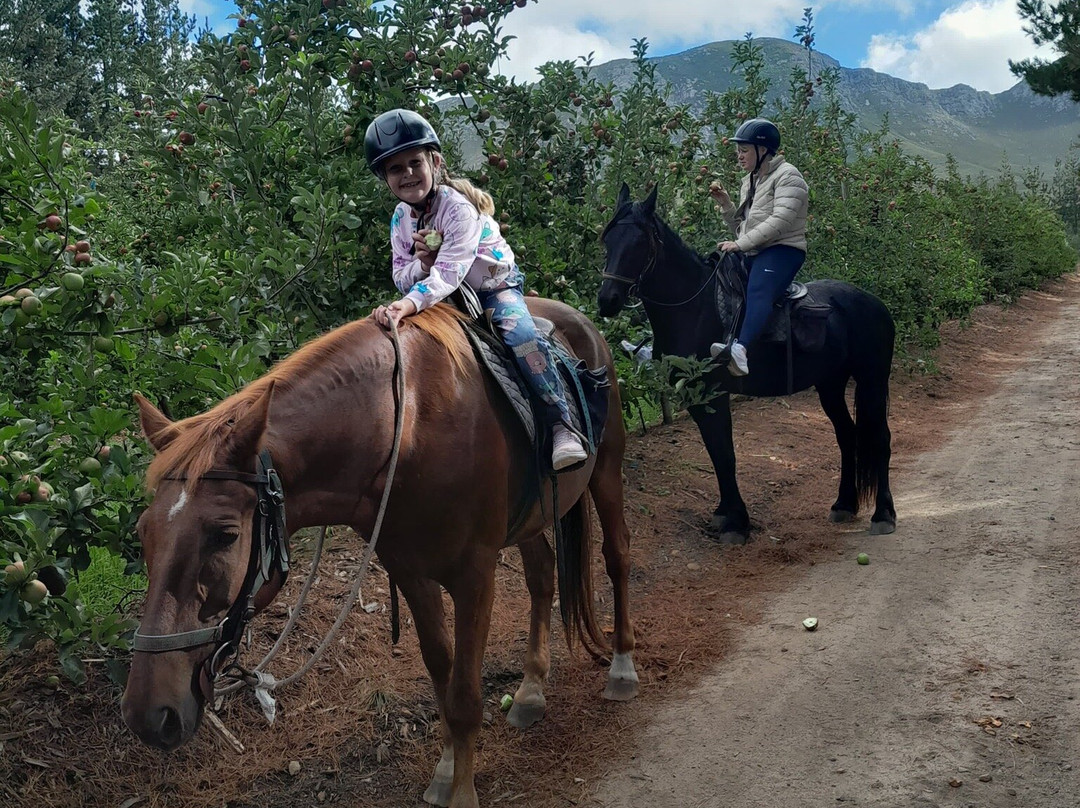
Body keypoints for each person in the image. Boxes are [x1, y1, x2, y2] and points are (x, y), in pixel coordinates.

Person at [364, 108, 588, 471]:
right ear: (384, 178)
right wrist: (421, 264)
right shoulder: (400, 219)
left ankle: (561, 423)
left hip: (491, 287)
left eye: (413, 162)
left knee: (521, 335)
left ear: (434, 162)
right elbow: (401, 273)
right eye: (394, 168)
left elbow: (451, 272)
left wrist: (408, 302)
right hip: (441, 294)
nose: (406, 173)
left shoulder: (457, 209)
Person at [707, 117, 809, 376]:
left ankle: (741, 349)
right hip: (755, 248)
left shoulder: (789, 176)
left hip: (782, 250)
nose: (739, 156)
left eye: (744, 150)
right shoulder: (749, 181)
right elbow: (744, 228)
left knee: (759, 288)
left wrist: (739, 244)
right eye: (738, 151)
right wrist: (727, 206)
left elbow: (780, 222)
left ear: (762, 150)